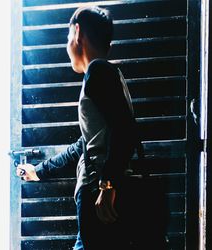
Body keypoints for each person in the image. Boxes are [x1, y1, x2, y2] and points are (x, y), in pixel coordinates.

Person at [16, 5, 168, 250]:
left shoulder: (98, 72)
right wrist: (39, 171)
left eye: (67, 38)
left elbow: (124, 131)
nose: (67, 46)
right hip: (98, 193)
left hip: (99, 196)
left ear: (77, 33)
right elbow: (84, 145)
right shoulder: (105, 75)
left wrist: (107, 185)